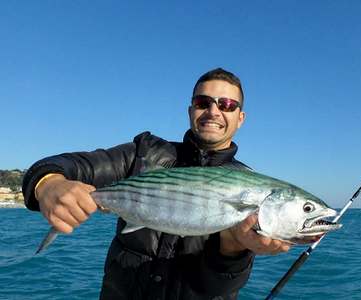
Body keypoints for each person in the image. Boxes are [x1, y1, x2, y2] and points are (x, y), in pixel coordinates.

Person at [22, 68, 292, 299]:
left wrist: (233, 251)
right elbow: (61, 165)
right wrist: (49, 185)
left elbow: (219, 288)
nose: (213, 111)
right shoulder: (144, 153)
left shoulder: (249, 183)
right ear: (190, 110)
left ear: (240, 118)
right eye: (203, 102)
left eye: (227, 105)